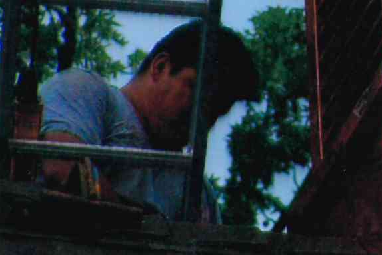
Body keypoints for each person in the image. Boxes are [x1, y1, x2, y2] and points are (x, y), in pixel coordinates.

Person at [39, 20, 260, 222]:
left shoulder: (197, 193)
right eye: (199, 95)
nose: (204, 117)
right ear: (161, 67)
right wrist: (144, 229)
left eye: (217, 110)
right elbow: (62, 168)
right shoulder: (87, 91)